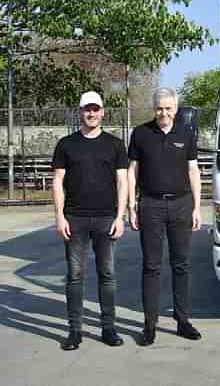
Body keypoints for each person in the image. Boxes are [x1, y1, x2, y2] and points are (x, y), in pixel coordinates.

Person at [52, 91, 128, 351]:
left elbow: (122, 181)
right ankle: (75, 331)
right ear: (80, 111)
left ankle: (108, 327)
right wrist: (59, 216)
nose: (91, 113)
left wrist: (120, 216)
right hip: (75, 219)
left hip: (106, 219)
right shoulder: (66, 145)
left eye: (96, 109)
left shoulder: (115, 145)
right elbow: (58, 181)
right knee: (75, 276)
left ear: (103, 112)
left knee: (107, 275)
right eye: (87, 109)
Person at [128, 87, 202, 346]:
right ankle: (150, 325)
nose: (164, 113)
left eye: (168, 108)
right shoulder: (140, 134)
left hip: (181, 205)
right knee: (151, 267)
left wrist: (196, 207)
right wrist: (131, 206)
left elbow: (194, 172)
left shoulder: (187, 134)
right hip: (151, 206)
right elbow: (132, 172)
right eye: (160, 108)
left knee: (181, 265)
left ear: (176, 108)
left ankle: (183, 321)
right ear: (154, 108)